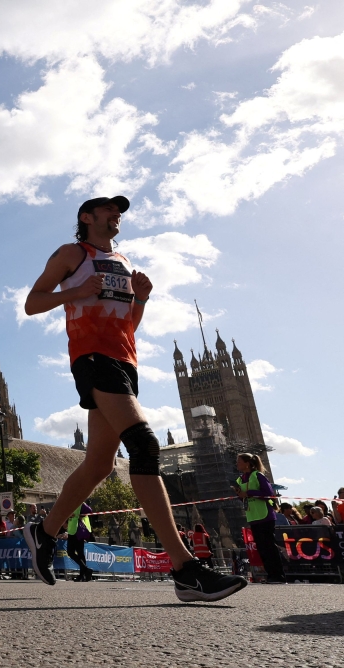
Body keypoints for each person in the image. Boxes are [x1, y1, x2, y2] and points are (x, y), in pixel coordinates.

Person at [21, 195, 247, 602]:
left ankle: (44, 531)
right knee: (143, 444)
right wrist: (73, 293)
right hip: (91, 356)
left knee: (99, 464)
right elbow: (32, 303)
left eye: (120, 210)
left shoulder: (124, 262)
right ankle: (185, 570)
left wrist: (141, 298)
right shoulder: (72, 253)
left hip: (125, 359)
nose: (117, 215)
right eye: (109, 209)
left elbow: (129, 325)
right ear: (87, 217)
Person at [235, 453, 284, 583]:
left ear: (247, 463)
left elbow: (269, 494)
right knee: (261, 547)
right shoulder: (240, 479)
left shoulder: (258, 475)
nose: (236, 464)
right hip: (253, 516)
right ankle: (271, 575)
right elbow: (245, 498)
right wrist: (240, 495)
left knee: (269, 546)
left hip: (265, 515)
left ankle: (278, 575)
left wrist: (249, 493)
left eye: (239, 461)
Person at [65, 503, 93, 581]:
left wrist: (80, 515)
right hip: (72, 530)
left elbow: (89, 510)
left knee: (75, 553)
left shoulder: (80, 503)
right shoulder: (70, 504)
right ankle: (85, 572)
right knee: (75, 553)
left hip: (77, 531)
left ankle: (83, 574)